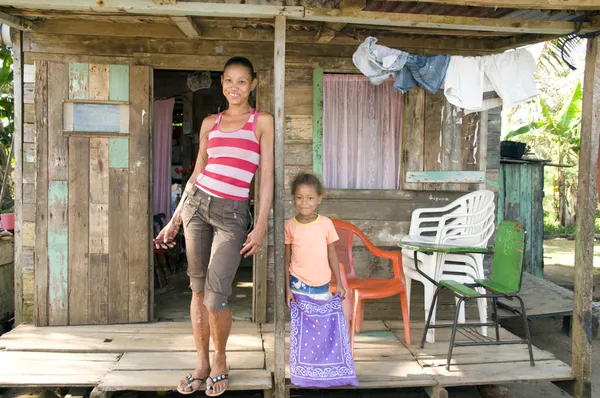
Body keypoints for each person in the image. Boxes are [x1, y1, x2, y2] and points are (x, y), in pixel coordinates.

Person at [155, 56, 274, 397]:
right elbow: (196, 173)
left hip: (232, 215)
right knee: (196, 291)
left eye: (241, 81)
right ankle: (202, 363)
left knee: (215, 296)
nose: (234, 87)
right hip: (197, 207)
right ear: (222, 83)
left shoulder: (262, 121)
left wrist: (261, 223)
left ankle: (221, 360)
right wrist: (176, 218)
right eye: (228, 80)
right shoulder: (210, 122)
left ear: (252, 85)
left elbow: (265, 178)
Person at [284, 173, 346, 306]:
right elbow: (286, 260)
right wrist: (287, 289)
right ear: (293, 198)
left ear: (319, 199)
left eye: (310, 198)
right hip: (298, 285)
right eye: (299, 197)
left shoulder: (326, 223)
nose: (304, 203)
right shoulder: (290, 225)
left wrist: (339, 283)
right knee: (301, 324)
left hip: (322, 285)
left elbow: (332, 255)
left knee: (320, 323)